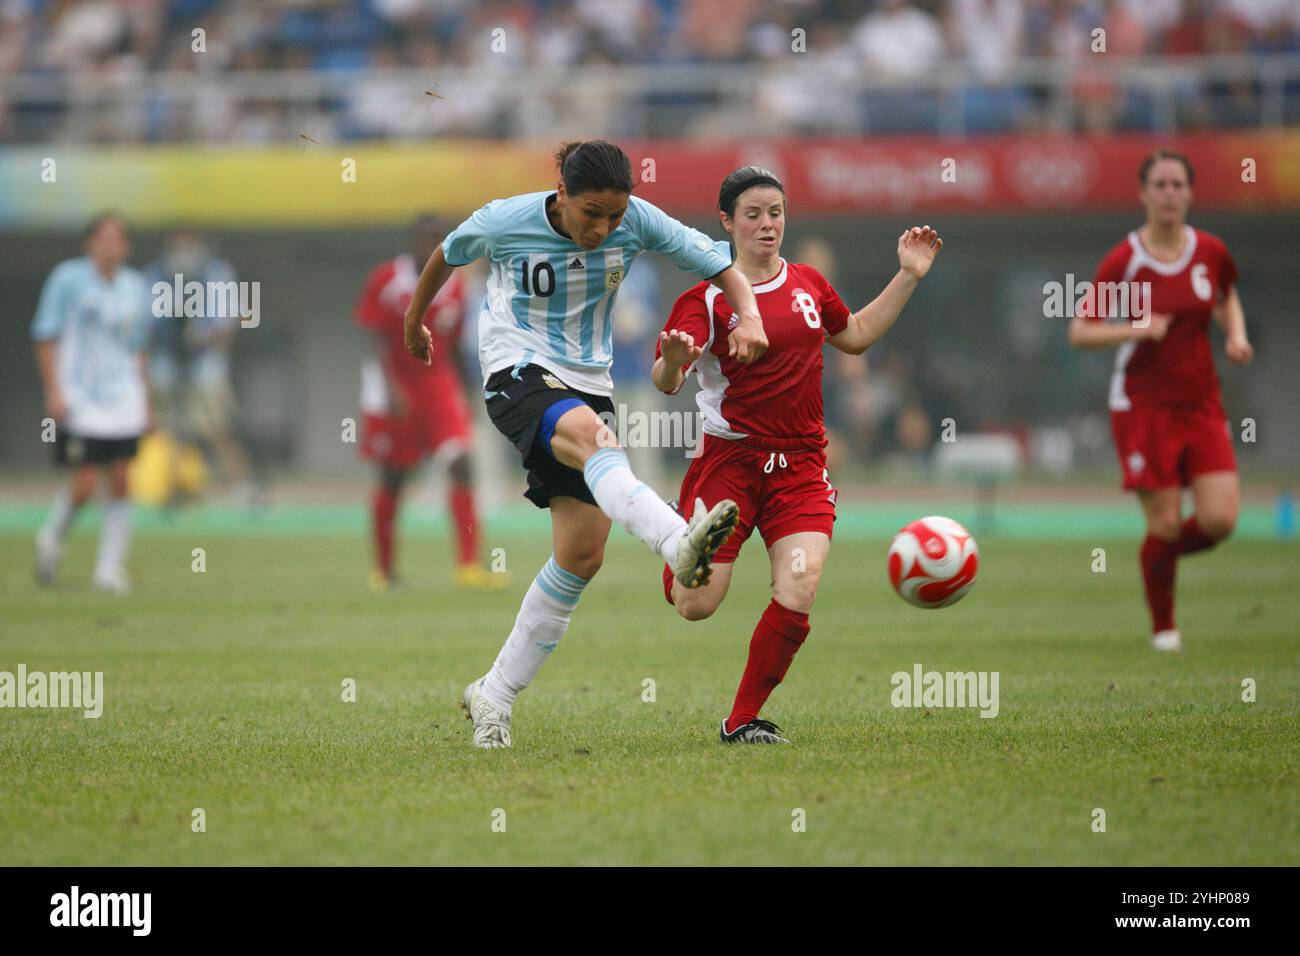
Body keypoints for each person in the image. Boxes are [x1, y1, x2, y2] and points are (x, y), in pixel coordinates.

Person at [403, 140, 768, 748]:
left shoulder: (639, 220)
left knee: (581, 555)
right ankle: (678, 542)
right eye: (590, 213)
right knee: (593, 439)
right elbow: (448, 252)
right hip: (514, 370)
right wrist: (416, 319)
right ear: (562, 194)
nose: (603, 229)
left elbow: (719, 263)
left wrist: (749, 314)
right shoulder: (506, 219)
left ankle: (493, 693)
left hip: (587, 381)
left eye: (615, 218)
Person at [652, 166, 942, 743]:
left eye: (776, 213)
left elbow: (855, 334)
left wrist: (908, 275)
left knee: (799, 588)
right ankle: (677, 543)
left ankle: (742, 721)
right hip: (731, 463)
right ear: (726, 222)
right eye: (753, 214)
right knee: (696, 604)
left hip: (803, 467)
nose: (767, 225)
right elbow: (664, 381)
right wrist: (673, 359)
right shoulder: (707, 298)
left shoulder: (808, 282)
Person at [1069, 149, 1252, 652]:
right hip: (1142, 404)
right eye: (1160, 185)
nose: (1170, 194)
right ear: (1143, 194)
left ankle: (1158, 554)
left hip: (1201, 404)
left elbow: (1224, 295)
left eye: (1178, 185)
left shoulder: (1212, 250)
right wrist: (1137, 328)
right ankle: (1164, 630)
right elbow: (1080, 331)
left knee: (1220, 520)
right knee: (1166, 521)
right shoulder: (1125, 260)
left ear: (1191, 193)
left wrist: (1234, 334)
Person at [356, 214, 500, 592]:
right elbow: (375, 340)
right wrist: (390, 390)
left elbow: (452, 347)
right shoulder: (388, 279)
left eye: (440, 240)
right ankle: (384, 571)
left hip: (438, 388)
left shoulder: (456, 286)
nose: (433, 247)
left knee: (462, 466)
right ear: (413, 241)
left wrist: (467, 394)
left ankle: (468, 565)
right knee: (394, 478)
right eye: (427, 239)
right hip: (396, 391)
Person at [33, 212, 152, 594]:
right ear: (90, 243)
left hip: (123, 396)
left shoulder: (136, 286)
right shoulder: (67, 280)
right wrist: (54, 389)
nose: (111, 245)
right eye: (104, 237)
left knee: (120, 479)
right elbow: (46, 335)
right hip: (81, 396)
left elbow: (139, 348)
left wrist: (145, 401)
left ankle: (109, 569)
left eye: (118, 238)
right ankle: (52, 535)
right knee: (84, 482)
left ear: (127, 246)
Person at [147, 227, 257, 506]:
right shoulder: (154, 275)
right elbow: (144, 326)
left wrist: (203, 338)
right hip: (167, 365)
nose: (182, 253)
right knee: (169, 431)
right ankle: (173, 489)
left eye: (187, 245)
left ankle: (243, 488)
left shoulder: (217, 273)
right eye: (176, 246)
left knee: (217, 427)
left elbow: (236, 319)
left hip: (206, 366)